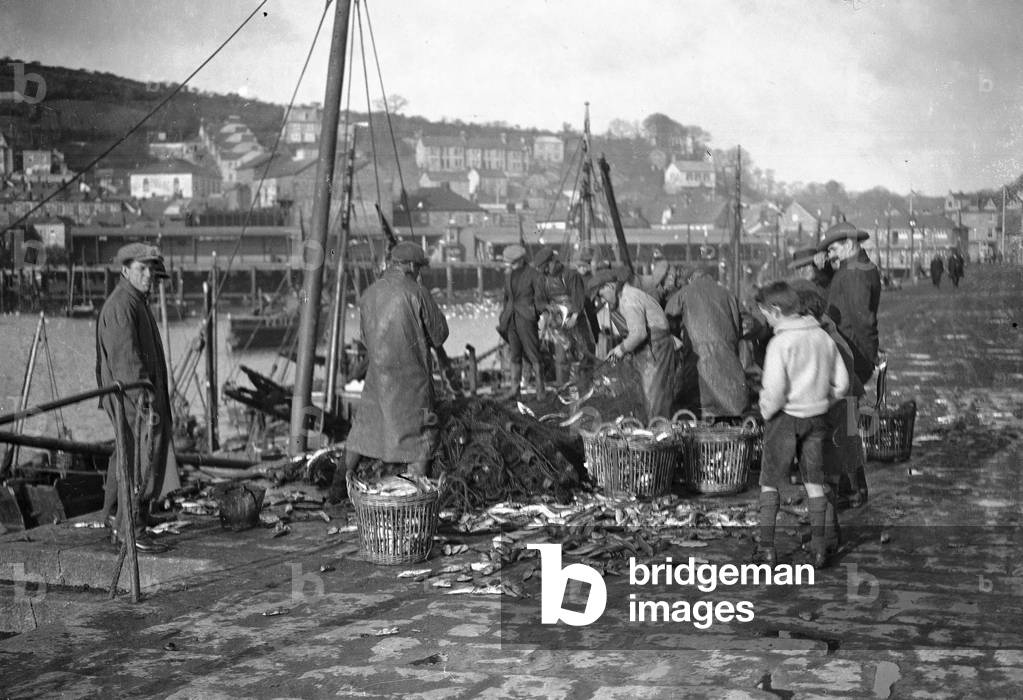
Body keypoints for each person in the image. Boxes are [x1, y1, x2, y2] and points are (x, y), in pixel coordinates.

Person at [752, 281, 849, 569]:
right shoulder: (823, 338)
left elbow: (775, 389)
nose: (766, 321)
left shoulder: (780, 343)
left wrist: (766, 410)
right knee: (814, 483)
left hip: (783, 418)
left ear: (777, 310)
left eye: (766, 315)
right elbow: (842, 384)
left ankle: (766, 550)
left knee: (770, 483)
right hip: (817, 418)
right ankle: (819, 549)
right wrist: (822, 402)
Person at [342, 242, 449, 481]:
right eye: (419, 267)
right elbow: (440, 335)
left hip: (378, 375)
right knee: (422, 434)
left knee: (363, 429)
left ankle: (339, 484)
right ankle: (414, 488)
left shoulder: (369, 294)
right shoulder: (417, 292)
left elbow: (364, 337)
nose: (420, 271)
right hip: (412, 380)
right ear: (411, 265)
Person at [95, 243, 177, 553]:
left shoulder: (135, 302)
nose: (148, 277)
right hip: (133, 400)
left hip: (139, 398)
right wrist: (145, 404)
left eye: (152, 272)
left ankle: (123, 521)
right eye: (142, 270)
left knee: (132, 456)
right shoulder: (122, 306)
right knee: (140, 457)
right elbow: (127, 363)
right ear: (125, 270)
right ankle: (130, 528)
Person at [819, 222, 881, 507]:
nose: (831, 254)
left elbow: (861, 319)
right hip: (852, 353)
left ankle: (854, 489)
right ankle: (852, 485)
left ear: (848, 243)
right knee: (845, 421)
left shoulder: (853, 273)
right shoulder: (860, 267)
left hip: (851, 355)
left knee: (843, 423)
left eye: (833, 248)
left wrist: (867, 355)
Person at [587, 267, 684, 421]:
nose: (603, 300)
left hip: (656, 348)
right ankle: (654, 429)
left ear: (609, 286)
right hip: (652, 347)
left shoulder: (628, 300)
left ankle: (658, 434)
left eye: (602, 295)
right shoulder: (630, 295)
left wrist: (620, 350)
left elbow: (639, 334)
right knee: (646, 396)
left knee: (653, 398)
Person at [663, 266, 748, 418]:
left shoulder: (686, 291)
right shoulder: (727, 293)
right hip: (727, 351)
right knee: (729, 400)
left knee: (696, 402)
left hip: (698, 353)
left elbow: (666, 318)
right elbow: (747, 322)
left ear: (690, 278)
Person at [534, 246, 596, 387]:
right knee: (562, 360)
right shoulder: (542, 280)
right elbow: (539, 301)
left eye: (546, 267)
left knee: (583, 357)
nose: (545, 271)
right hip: (557, 326)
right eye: (542, 269)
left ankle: (586, 390)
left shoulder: (570, 275)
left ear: (553, 261)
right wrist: (547, 309)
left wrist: (574, 317)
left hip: (576, 323)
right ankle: (568, 394)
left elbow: (578, 299)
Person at [497, 244, 548, 400]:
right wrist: (503, 315)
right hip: (511, 319)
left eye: (509, 261)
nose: (508, 264)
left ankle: (541, 392)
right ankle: (515, 390)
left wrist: (534, 313)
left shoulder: (534, 275)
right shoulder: (508, 275)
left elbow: (541, 300)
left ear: (518, 260)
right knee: (515, 355)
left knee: (534, 355)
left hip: (526, 319)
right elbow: (506, 298)